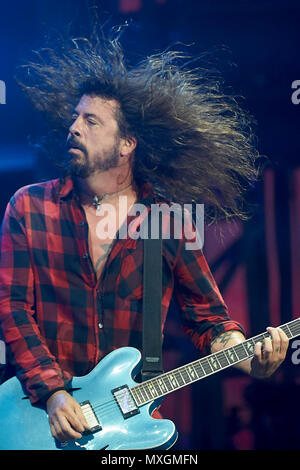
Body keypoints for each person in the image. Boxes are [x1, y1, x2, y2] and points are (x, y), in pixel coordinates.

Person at [0, 28, 289, 444]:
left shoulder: (167, 224)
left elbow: (210, 322)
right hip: (37, 420)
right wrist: (53, 393)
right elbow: (12, 308)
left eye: (90, 120)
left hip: (128, 433)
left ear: (127, 144)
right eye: (74, 116)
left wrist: (252, 360)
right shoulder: (29, 206)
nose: (73, 127)